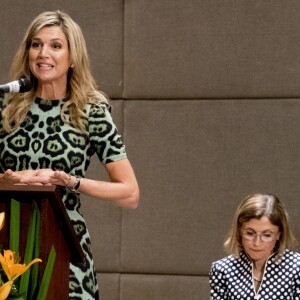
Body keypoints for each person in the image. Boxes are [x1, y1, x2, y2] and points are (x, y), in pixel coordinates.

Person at [0, 10, 139, 299]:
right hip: (7, 248)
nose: (43, 53)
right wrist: (13, 179)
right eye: (35, 44)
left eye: (55, 45)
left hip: (64, 249)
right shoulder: (5, 106)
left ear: (73, 57)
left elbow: (129, 192)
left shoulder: (91, 112)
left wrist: (69, 181)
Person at [209, 193, 300, 300]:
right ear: (239, 231)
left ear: (279, 234)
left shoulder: (296, 268)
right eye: (250, 233)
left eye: (267, 235)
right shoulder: (221, 270)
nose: (257, 243)